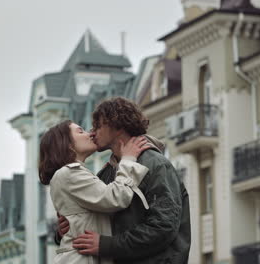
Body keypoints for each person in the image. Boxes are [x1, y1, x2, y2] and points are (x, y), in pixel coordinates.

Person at [57, 97, 191, 264]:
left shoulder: (155, 164)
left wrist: (107, 245)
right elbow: (93, 220)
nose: (92, 133)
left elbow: (163, 227)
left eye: (98, 126)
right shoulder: (106, 173)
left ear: (117, 125)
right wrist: (65, 228)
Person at [39, 120, 152, 264]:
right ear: (67, 144)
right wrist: (129, 159)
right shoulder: (70, 174)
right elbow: (116, 198)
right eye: (81, 131)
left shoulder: (74, 174)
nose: (90, 134)